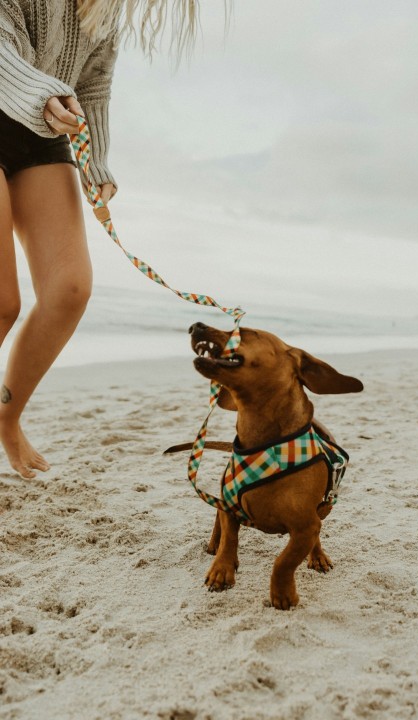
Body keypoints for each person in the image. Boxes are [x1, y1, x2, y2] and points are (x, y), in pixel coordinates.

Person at [0, 0, 200, 479]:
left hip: (39, 129)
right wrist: (41, 94)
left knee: (69, 290)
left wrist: (96, 166)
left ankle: (6, 419)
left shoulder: (106, 10)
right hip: (20, 97)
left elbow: (91, 84)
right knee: (1, 302)